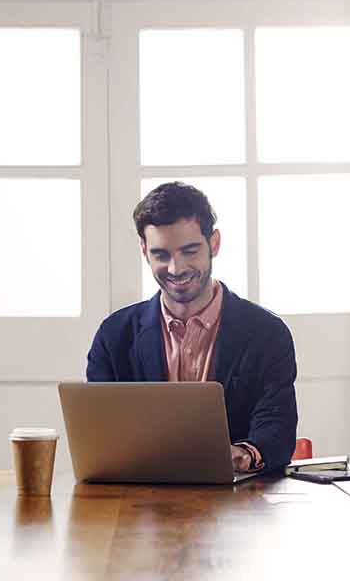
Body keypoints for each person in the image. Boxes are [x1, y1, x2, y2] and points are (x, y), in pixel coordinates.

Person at [86, 182, 298, 473]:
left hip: (238, 503)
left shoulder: (267, 333)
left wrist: (246, 453)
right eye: (161, 254)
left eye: (189, 251)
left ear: (214, 243)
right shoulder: (114, 336)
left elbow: (277, 427)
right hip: (140, 501)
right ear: (144, 250)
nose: (176, 268)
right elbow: (99, 433)